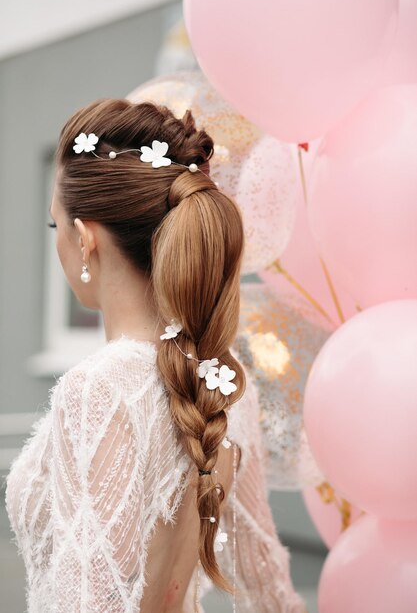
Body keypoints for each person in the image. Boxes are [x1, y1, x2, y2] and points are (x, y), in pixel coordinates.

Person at [5, 98, 307, 613]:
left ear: (84, 239)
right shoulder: (226, 381)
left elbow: (91, 602)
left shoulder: (101, 389)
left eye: (56, 227)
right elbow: (268, 587)